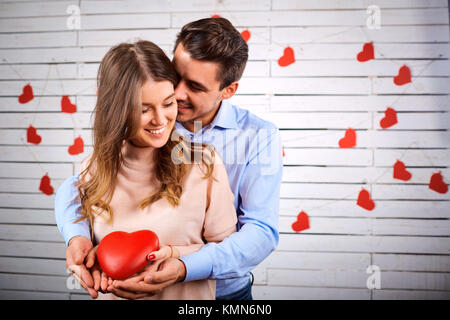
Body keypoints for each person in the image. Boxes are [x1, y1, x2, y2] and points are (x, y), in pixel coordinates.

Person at [55, 17, 283, 300]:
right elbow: (81, 184)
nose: (177, 93)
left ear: (228, 90)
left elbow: (261, 232)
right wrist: (78, 236)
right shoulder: (153, 119)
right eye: (177, 76)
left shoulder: (258, 137)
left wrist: (183, 267)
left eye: (195, 87)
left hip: (222, 292)